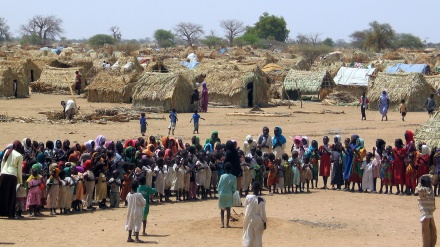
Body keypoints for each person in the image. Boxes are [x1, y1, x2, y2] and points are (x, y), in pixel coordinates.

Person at [0, 140, 23, 219]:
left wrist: (1, 174)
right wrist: (20, 181)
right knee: (11, 195)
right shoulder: (19, 156)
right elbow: (19, 170)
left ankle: (1, 212)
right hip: (12, 176)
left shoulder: (7, 151)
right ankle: (10, 214)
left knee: (2, 194)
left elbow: (3, 163)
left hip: (3, 174)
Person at [242, 181, 267, 247]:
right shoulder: (262, 200)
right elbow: (263, 213)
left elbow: (245, 206)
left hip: (248, 219)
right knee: (258, 237)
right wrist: (264, 222)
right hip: (258, 220)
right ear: (259, 189)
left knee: (249, 235)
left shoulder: (248, 197)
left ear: (252, 188)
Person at [415, 175, 437, 247]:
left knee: (428, 232)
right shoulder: (428, 190)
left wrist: (420, 180)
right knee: (429, 232)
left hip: (427, 214)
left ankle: (429, 245)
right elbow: (432, 177)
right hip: (426, 214)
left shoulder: (423, 190)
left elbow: (417, 188)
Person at [217, 162, 237, 228]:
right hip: (229, 194)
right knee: (228, 209)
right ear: (231, 169)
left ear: (224, 169)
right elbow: (234, 188)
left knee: (222, 210)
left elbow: (219, 186)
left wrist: (219, 192)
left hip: (222, 194)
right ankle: (227, 224)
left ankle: (222, 223)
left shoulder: (222, 176)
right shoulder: (234, 177)